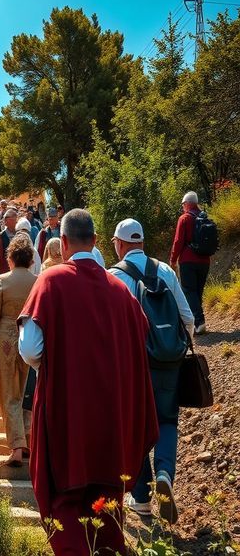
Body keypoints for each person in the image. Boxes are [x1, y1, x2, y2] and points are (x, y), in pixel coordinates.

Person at [18, 209, 158, 555]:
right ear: (95, 241)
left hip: (67, 412)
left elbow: (30, 348)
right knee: (107, 510)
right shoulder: (120, 291)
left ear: (63, 242)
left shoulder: (50, 281)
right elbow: (140, 341)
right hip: (112, 418)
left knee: (64, 502)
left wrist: (58, 364)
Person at [109, 218, 194, 524]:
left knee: (137, 425)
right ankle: (165, 472)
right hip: (168, 362)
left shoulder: (114, 277)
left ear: (119, 244)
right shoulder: (166, 271)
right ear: (142, 242)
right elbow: (187, 317)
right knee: (167, 418)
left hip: (134, 364)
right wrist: (177, 350)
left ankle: (142, 499)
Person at [0, 234, 37, 467]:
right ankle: (26, 439)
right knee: (25, 392)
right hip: (29, 338)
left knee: (8, 393)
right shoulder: (37, 281)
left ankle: (16, 446)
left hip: (5, 340)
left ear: (11, 258)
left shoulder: (3, 280)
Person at [170, 191, 211, 334]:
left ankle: (199, 322)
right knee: (198, 291)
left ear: (187, 204)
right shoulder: (205, 217)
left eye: (183, 204)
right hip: (205, 260)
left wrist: (173, 260)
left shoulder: (185, 218)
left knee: (188, 291)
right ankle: (198, 321)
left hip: (188, 260)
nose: (182, 207)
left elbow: (178, 241)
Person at [0, 208, 18, 282]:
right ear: (7, 221)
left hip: (17, 275)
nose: (16, 221)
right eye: (14, 219)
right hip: (4, 275)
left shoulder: (19, 234)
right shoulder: (1, 236)